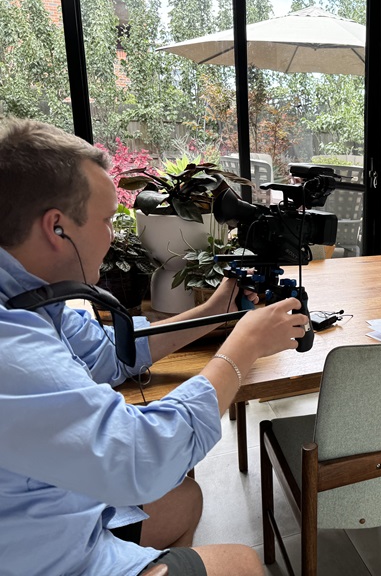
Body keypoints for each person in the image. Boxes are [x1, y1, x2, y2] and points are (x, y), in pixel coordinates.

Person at [0, 119, 309, 576]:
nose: (112, 235)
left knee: (184, 497)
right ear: (57, 228)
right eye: (107, 221)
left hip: (58, 510)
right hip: (43, 557)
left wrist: (218, 308)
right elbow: (138, 457)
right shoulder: (11, 347)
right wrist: (241, 351)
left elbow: (111, 355)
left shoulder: (32, 296)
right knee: (242, 563)